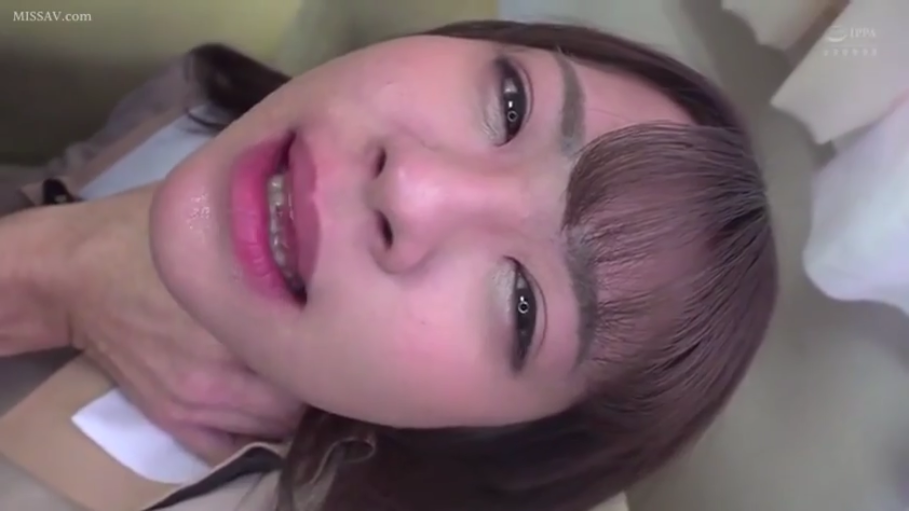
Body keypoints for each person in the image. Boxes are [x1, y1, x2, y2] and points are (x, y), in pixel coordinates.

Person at [0, 20, 777, 511]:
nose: (411, 186)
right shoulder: (209, 99)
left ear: (488, 435)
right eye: (511, 105)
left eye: (522, 303)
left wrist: (54, 275)